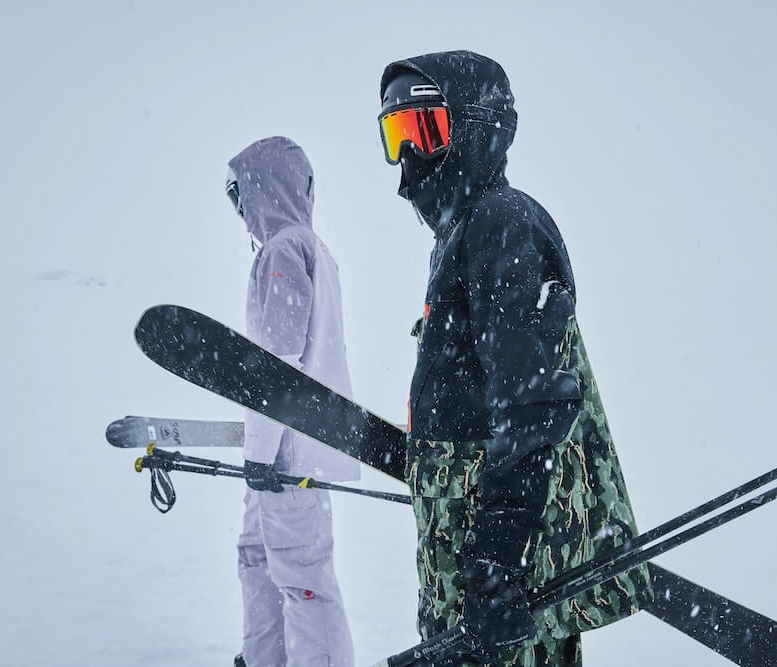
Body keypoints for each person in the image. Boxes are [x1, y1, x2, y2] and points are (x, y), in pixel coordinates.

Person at [377, 51, 654, 665]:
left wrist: (499, 563)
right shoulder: (465, 232)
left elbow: (533, 407)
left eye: (426, 130)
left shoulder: (501, 225)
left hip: (496, 566)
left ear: (477, 129)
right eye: (396, 136)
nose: (410, 157)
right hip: (465, 559)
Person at [225, 136, 358, 667]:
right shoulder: (312, 248)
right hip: (287, 447)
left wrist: (260, 453)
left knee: (303, 578)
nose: (239, 211)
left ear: (264, 188)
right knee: (256, 558)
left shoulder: (284, 249)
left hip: (287, 452)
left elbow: (278, 364)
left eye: (239, 195)